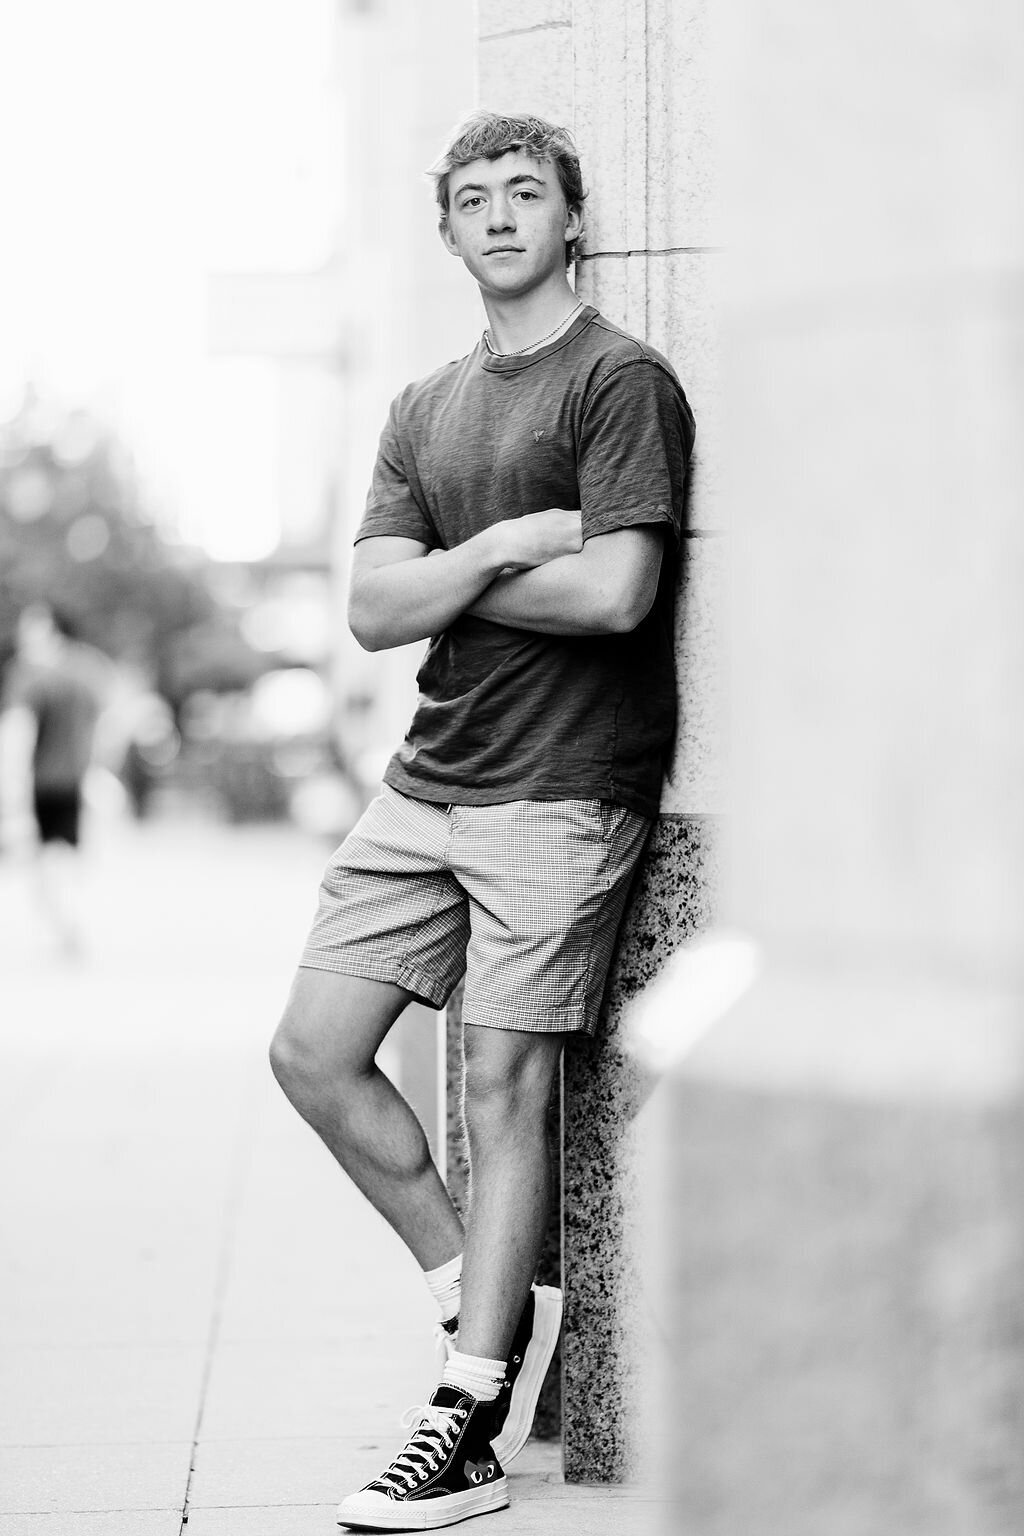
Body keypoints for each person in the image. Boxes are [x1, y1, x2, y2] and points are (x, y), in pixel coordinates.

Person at [269, 110, 695, 1532]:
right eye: (473, 197)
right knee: (313, 1050)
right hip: (430, 781)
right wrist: (508, 544)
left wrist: (440, 578)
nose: (501, 214)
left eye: (526, 192)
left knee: (503, 1086)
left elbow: (617, 594)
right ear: (446, 230)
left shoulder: (621, 382)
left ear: (574, 218)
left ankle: (464, 1426)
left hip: (564, 786)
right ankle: (488, 1301)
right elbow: (370, 611)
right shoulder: (424, 408)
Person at [0, 602, 110, 955]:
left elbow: (17, 734)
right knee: (66, 857)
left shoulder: (29, 674)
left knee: (44, 860)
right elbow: (107, 722)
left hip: (42, 784)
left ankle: (66, 925)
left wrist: (11, 790)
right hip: (78, 779)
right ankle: (70, 924)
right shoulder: (90, 667)